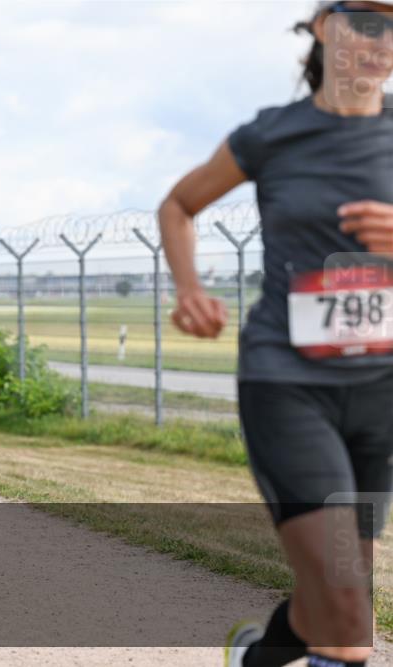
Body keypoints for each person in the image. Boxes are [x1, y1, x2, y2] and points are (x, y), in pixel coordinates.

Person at [158, 3, 393, 666]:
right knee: (347, 604)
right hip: (288, 384)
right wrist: (189, 289)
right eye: (368, 19)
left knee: (337, 591)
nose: (384, 39)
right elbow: (178, 204)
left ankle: (254, 657)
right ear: (325, 26)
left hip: (377, 395)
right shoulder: (272, 135)